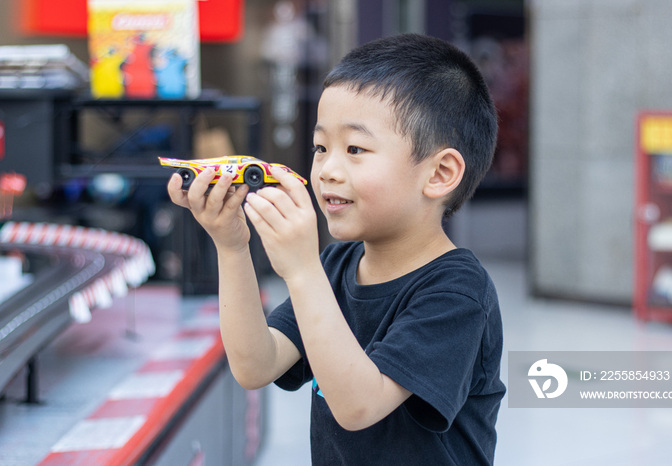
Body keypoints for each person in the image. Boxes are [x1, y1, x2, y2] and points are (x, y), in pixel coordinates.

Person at [168, 33, 505, 465]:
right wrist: (232, 247)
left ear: (439, 174)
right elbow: (255, 365)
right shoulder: (336, 265)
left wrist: (302, 269)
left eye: (355, 149)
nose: (326, 170)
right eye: (321, 147)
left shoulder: (457, 293)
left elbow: (359, 405)